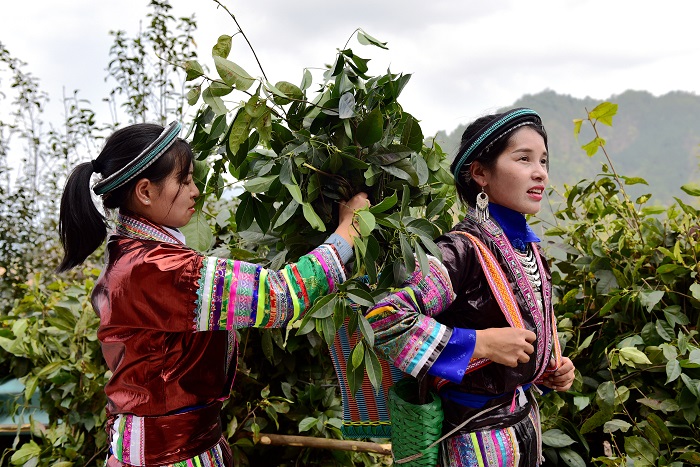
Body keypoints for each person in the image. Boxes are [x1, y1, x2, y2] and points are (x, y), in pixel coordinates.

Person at [57, 121, 369, 466]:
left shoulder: (134, 256)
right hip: (168, 454)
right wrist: (347, 231)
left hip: (176, 444)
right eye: (184, 180)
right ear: (145, 192)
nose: (195, 191)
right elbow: (280, 295)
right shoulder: (156, 268)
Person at [365, 108, 575, 466]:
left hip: (525, 426)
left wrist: (548, 369)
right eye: (523, 158)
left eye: (543, 160)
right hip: (477, 440)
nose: (540, 171)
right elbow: (385, 318)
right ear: (479, 173)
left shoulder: (528, 247)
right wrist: (481, 344)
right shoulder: (458, 251)